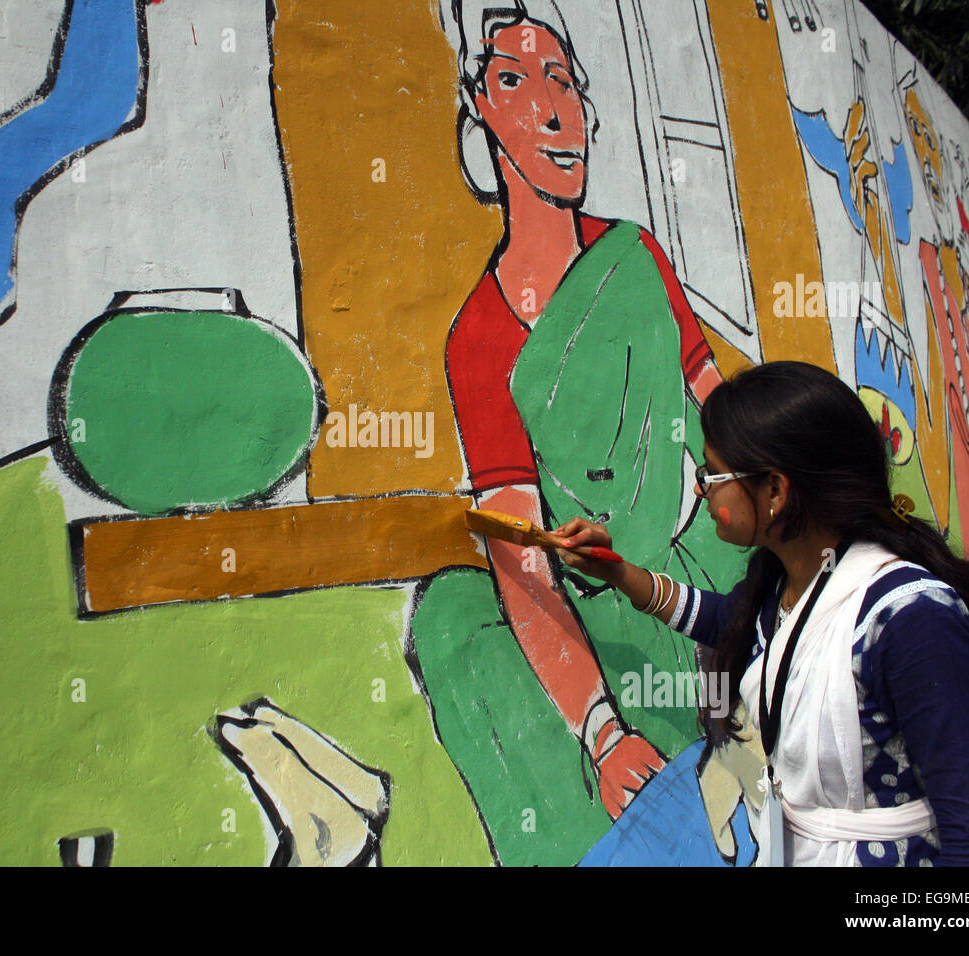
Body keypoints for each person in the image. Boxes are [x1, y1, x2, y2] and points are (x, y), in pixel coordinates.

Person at [409, 0, 748, 864]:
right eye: (516, 83)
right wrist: (600, 732)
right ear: (477, 116)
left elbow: (721, 407)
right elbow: (521, 551)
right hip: (596, 604)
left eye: (563, 80)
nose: (553, 112)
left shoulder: (633, 254)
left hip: (709, 561)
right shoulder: (477, 342)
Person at [555, 360, 969, 865]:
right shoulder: (790, 586)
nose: (700, 488)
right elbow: (728, 622)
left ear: (776, 491)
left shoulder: (910, 618)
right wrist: (619, 573)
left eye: (712, 474)